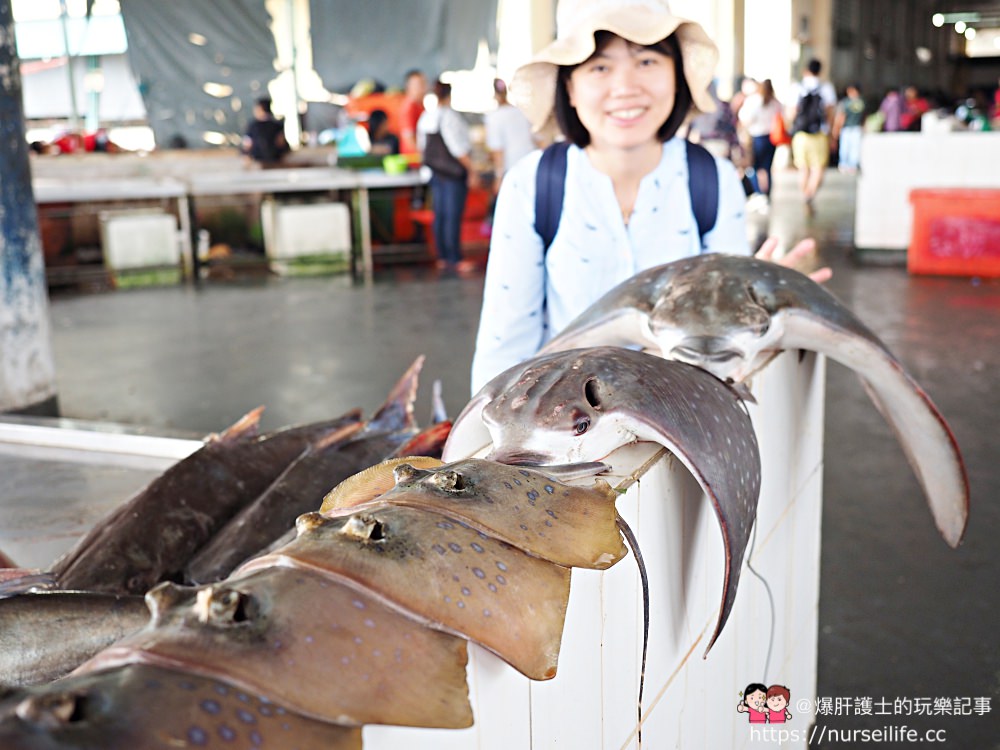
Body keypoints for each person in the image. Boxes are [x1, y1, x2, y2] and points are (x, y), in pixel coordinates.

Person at [470, 0, 828, 392]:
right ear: (569, 87)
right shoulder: (533, 184)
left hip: (683, 421)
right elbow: (504, 351)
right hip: (559, 429)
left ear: (676, 76)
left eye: (647, 62)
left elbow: (721, 344)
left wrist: (754, 303)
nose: (625, 87)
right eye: (600, 67)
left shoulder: (711, 179)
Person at [417, 79, 478, 274]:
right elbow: (458, 148)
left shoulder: (426, 117)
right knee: (452, 215)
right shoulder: (450, 117)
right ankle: (455, 258)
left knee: (440, 215)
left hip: (435, 173)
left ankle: (443, 257)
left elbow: (421, 147)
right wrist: (472, 170)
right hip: (452, 174)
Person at [788, 58, 836, 211]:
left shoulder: (796, 87)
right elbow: (830, 113)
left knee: (803, 169)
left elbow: (790, 113)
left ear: (805, 70)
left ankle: (804, 194)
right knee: (817, 168)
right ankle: (810, 195)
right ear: (820, 71)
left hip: (801, 134)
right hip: (819, 134)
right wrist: (831, 134)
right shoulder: (826, 88)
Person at [484, 78, 538, 194]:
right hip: (531, 164)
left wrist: (498, 177)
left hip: (512, 169)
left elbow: (498, 150)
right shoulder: (522, 112)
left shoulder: (494, 117)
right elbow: (538, 140)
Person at [738, 78, 783, 208]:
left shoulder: (753, 101)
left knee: (754, 167)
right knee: (767, 168)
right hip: (771, 138)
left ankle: (758, 192)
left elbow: (745, 119)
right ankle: (767, 194)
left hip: (757, 137)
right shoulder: (776, 103)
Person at [242, 97, 289, 166]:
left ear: (260, 109)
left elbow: (247, 144)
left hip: (258, 159)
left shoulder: (253, 126)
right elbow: (281, 142)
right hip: (276, 158)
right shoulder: (277, 125)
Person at [833, 84, 865, 173]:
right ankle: (852, 165)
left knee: (845, 147)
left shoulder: (845, 103)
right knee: (854, 148)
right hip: (856, 128)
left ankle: (844, 164)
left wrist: (836, 129)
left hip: (847, 128)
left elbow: (841, 117)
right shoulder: (862, 102)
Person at [399, 69, 428, 155]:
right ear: (409, 86)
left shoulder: (420, 105)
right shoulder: (408, 107)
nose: (424, 88)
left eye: (424, 83)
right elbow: (409, 137)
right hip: (413, 160)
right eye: (420, 84)